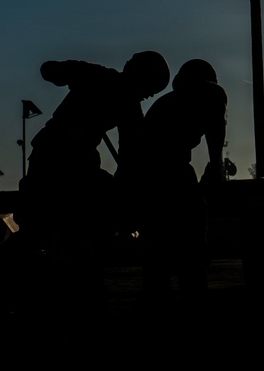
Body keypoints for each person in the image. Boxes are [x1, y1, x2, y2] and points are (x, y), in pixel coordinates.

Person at [17, 51, 170, 309]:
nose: (146, 96)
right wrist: (62, 72)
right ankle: (30, 280)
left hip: (80, 159)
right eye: (148, 90)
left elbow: (131, 153)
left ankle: (80, 278)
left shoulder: (128, 105)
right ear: (139, 76)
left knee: (85, 219)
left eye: (151, 94)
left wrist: (126, 184)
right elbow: (48, 69)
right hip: (53, 155)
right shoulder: (100, 78)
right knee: (40, 222)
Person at [124, 59, 227, 303]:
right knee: (190, 226)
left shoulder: (168, 102)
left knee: (157, 237)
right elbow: (216, 129)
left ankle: (158, 292)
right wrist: (215, 165)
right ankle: (192, 288)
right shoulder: (211, 93)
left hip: (150, 174)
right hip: (168, 169)